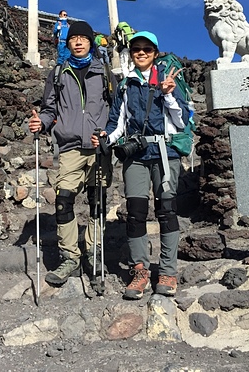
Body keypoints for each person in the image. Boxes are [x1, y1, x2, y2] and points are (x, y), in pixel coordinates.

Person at [91, 31, 190, 298]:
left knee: (166, 209)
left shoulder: (169, 81)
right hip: (136, 154)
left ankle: (168, 271)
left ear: (156, 53)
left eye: (147, 48)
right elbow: (117, 122)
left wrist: (169, 95)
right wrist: (106, 137)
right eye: (137, 49)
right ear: (131, 54)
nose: (142, 52)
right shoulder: (126, 85)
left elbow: (182, 121)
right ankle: (140, 270)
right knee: (135, 211)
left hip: (165, 151)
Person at [29, 21, 114, 286]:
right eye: (73, 38)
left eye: (83, 38)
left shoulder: (105, 73)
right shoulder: (58, 73)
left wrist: (107, 135)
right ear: (68, 44)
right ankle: (70, 257)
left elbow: (117, 111)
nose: (78, 42)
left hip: (99, 147)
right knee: (64, 200)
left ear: (90, 42)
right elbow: (48, 109)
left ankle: (93, 251)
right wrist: (40, 123)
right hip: (69, 148)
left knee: (97, 202)